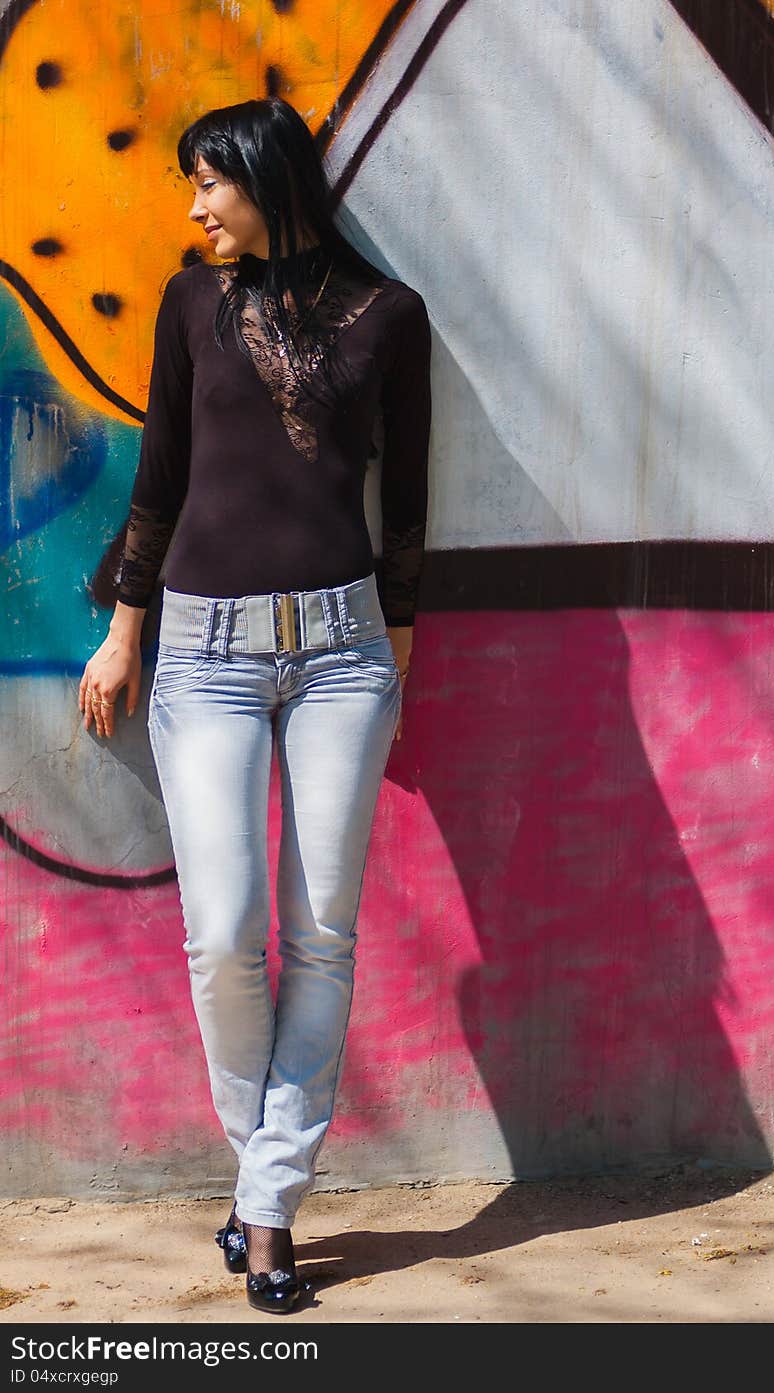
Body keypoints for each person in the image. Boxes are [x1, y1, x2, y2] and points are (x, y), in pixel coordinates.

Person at [77, 96, 432, 1315]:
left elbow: (411, 497)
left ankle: (268, 1206)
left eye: (207, 186)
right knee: (224, 932)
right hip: (205, 654)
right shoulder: (191, 305)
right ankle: (261, 1172)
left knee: (319, 934)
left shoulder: (391, 317)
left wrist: (395, 646)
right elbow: (159, 472)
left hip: (341, 656)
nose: (191, 208)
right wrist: (125, 629)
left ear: (262, 178)